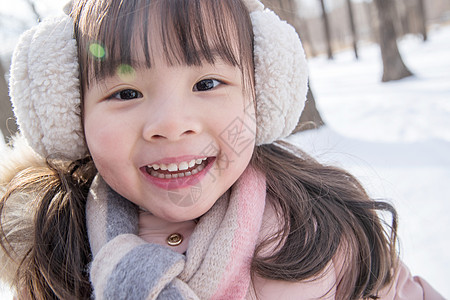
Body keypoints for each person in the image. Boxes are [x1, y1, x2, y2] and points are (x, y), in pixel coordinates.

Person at [0, 0, 444, 299]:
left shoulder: (323, 226)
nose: (172, 125)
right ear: (70, 113)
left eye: (207, 84)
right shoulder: (52, 246)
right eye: (126, 94)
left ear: (263, 94)